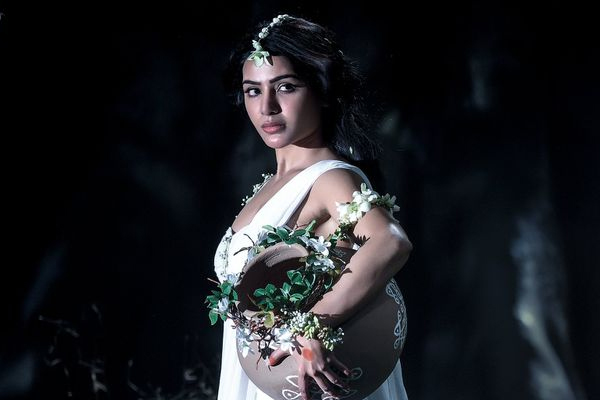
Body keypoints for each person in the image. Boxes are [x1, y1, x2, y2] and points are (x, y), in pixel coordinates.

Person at [213, 14, 412, 400]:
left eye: (285, 87)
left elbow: (390, 241)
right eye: (253, 91)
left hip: (302, 384)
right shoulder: (270, 186)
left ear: (321, 90)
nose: (267, 107)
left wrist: (312, 326)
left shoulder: (330, 178)